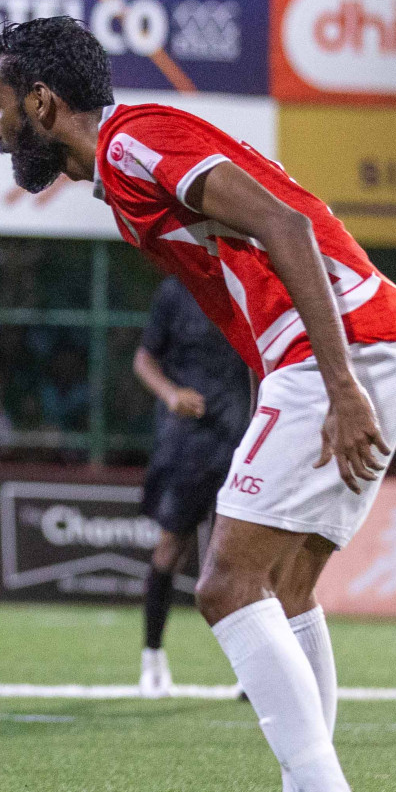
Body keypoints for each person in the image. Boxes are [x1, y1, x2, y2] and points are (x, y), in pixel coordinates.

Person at [0, 16, 396, 792]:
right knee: (286, 591)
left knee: (225, 586)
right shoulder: (120, 170)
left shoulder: (137, 143)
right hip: (359, 344)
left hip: (334, 352)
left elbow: (287, 225)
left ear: (42, 100)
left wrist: (337, 384)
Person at [132, 277, 251, 697]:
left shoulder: (247, 285)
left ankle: (252, 673)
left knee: (243, 562)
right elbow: (143, 360)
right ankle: (152, 658)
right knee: (171, 549)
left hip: (240, 443)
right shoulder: (175, 291)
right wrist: (170, 394)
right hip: (187, 443)